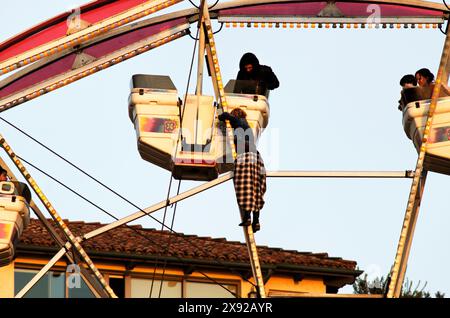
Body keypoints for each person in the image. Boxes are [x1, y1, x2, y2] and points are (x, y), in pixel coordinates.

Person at [218, 108, 266, 233]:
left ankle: (248, 218)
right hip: (255, 157)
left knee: (245, 187)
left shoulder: (241, 122)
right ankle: (255, 221)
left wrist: (225, 116)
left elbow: (236, 121)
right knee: (255, 189)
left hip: (246, 156)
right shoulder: (246, 127)